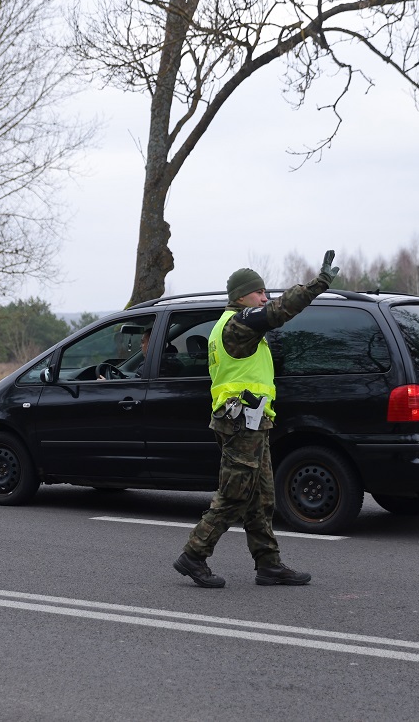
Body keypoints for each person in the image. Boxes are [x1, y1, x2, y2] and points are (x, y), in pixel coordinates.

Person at [173, 250, 339, 588]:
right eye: (259, 292)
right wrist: (317, 285)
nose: (265, 297)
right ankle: (194, 554)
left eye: (265, 292)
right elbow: (279, 311)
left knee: (261, 498)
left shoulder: (238, 327)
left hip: (252, 421)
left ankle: (269, 564)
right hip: (239, 423)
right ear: (240, 296)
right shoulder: (238, 323)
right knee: (234, 493)